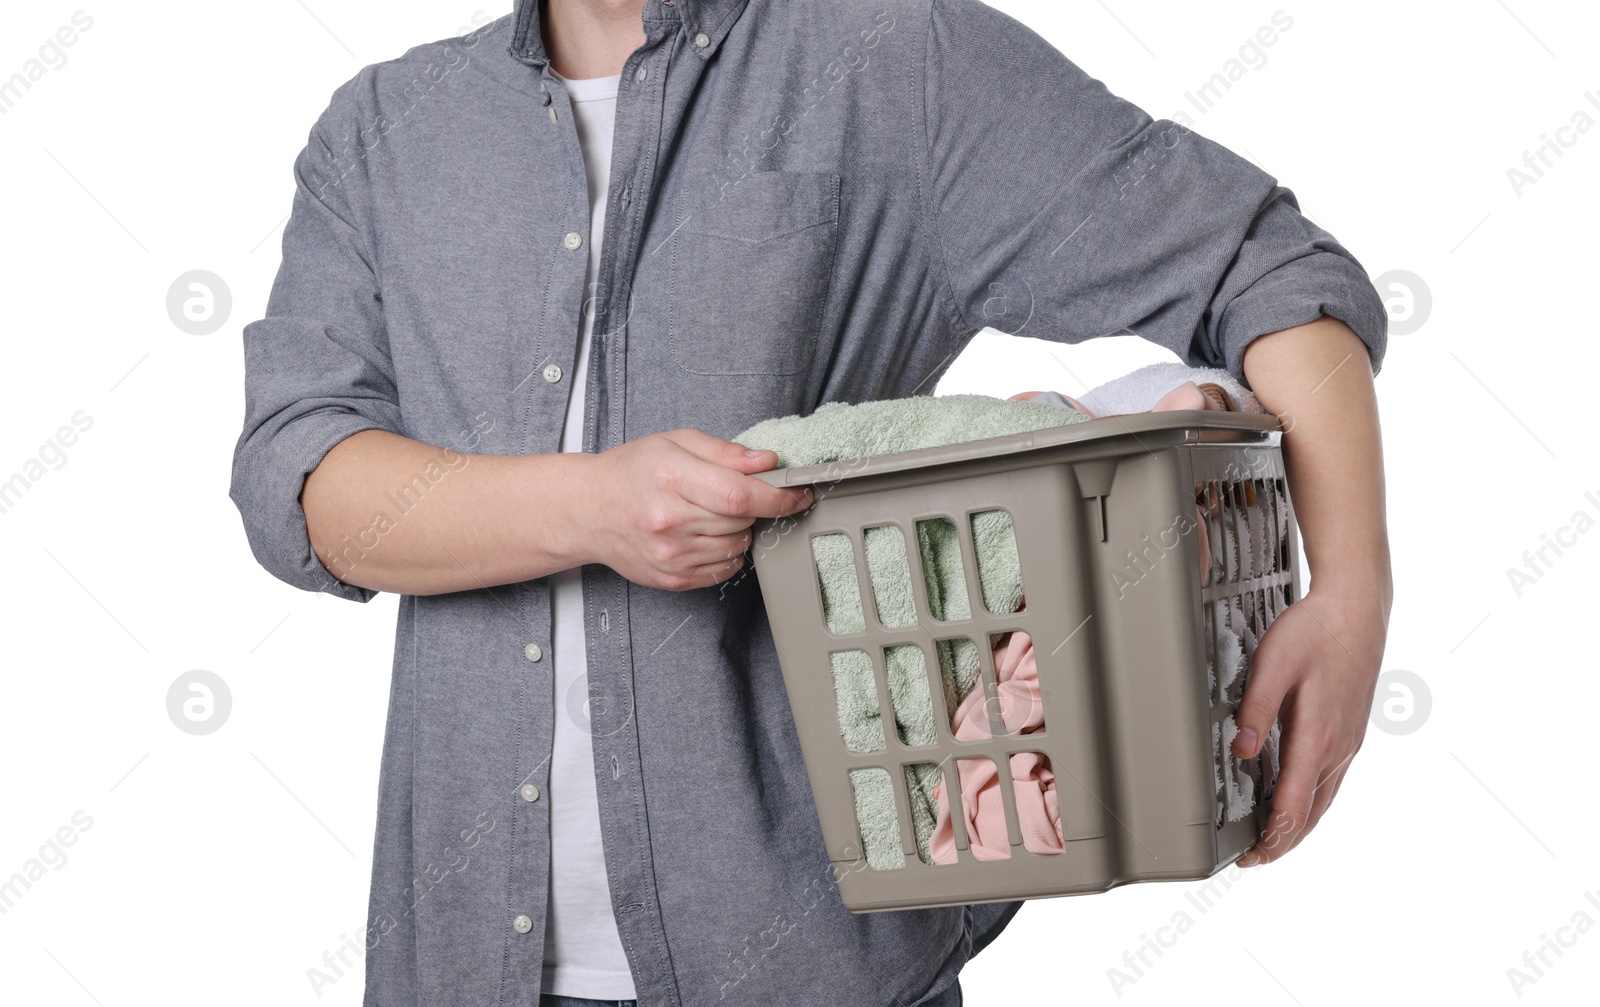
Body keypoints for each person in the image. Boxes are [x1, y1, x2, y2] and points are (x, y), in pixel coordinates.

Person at [227, 0, 1393, 1004]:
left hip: (812, 955)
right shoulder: (381, 132)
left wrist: (1352, 595)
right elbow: (300, 478)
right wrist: (592, 506)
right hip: (456, 959)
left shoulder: (893, 60)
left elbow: (1271, 275)